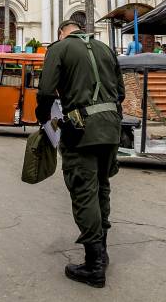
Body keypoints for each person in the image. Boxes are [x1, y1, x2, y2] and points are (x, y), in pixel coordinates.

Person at [35, 19, 125, 289]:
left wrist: (46, 124)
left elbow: (45, 93)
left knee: (84, 191)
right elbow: (120, 93)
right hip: (111, 130)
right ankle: (103, 252)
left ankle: (94, 265)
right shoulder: (106, 49)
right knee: (101, 188)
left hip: (81, 132)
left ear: (62, 33)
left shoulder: (59, 48)